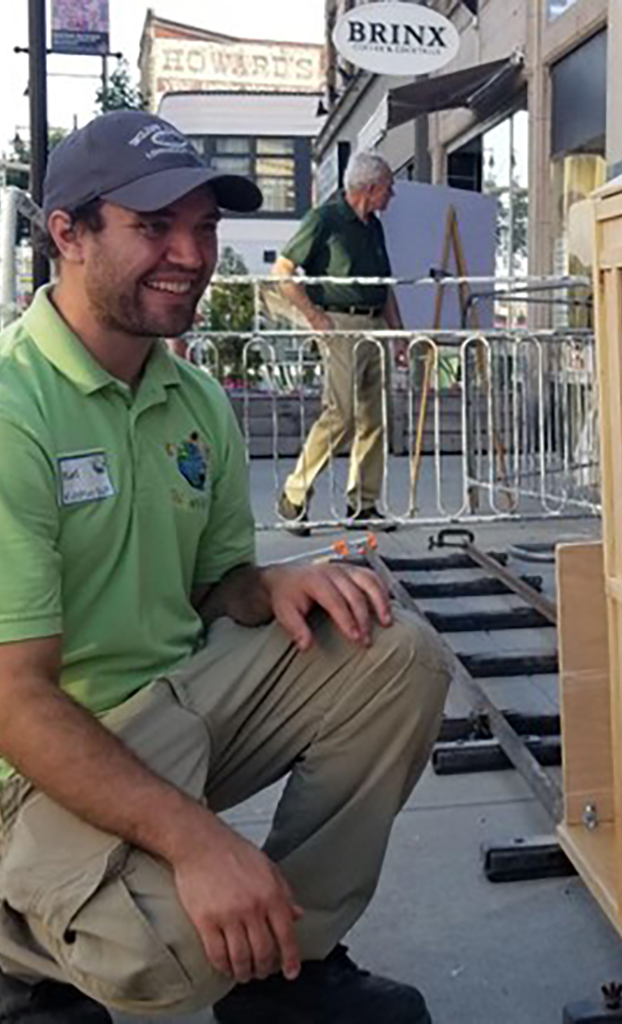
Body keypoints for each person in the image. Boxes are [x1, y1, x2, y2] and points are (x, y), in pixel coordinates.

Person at [0, 110, 450, 1024]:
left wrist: (274, 584)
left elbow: (216, 588)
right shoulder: (14, 412)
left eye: (203, 227)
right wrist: (197, 842)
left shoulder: (192, 397)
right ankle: (21, 948)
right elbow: (16, 698)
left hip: (175, 708)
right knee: (170, 956)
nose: (191, 252)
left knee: (397, 654)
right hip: (33, 765)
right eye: (154, 225)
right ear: (68, 234)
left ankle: (293, 961)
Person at [271, 151, 402, 535]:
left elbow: (385, 285)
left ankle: (363, 503)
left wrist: (398, 333)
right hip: (339, 322)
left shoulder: (373, 227)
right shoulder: (325, 219)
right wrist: (314, 317)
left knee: (373, 419)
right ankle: (294, 496)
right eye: (388, 189)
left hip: (373, 322)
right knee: (340, 414)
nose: (391, 196)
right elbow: (282, 270)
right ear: (370, 188)